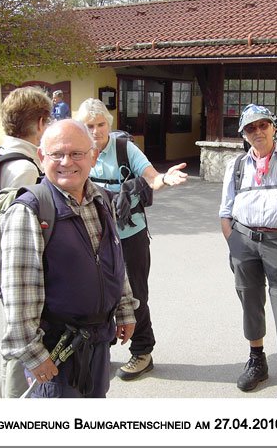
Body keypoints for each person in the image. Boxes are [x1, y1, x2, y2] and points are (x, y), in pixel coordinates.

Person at [0, 119, 138, 398]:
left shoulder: (101, 200)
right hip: (55, 351)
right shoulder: (30, 211)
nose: (67, 162)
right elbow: (18, 291)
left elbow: (113, 261)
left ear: (93, 156)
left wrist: (124, 309)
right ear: (41, 157)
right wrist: (32, 353)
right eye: (57, 154)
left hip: (97, 342)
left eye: (77, 153)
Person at [75, 98, 187, 381]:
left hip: (130, 236)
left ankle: (142, 352)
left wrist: (164, 178)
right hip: (93, 236)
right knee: (97, 295)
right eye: (90, 125)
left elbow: (151, 177)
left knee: (135, 295)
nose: (96, 131)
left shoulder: (124, 148)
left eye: (101, 124)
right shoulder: (79, 151)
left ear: (108, 125)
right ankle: (101, 350)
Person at [219, 103, 277, 392]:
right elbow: (225, 211)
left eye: (262, 125)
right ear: (244, 134)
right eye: (250, 128)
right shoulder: (236, 166)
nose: (257, 131)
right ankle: (257, 359)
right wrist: (234, 242)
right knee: (250, 301)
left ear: (273, 127)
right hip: (244, 241)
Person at [0, 85, 53, 398]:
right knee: (21, 345)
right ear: (42, 124)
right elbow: (18, 236)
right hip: (19, 275)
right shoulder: (24, 169)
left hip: (6, 272)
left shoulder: (5, 155)